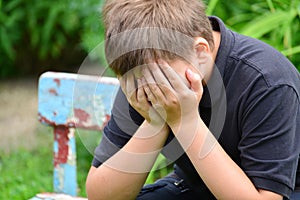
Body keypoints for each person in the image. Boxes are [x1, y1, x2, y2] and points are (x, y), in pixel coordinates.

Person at [86, 0, 300, 199]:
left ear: (200, 52)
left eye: (159, 82)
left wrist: (185, 121)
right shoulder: (144, 70)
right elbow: (101, 194)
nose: (150, 92)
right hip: (194, 187)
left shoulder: (266, 80)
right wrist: (157, 121)